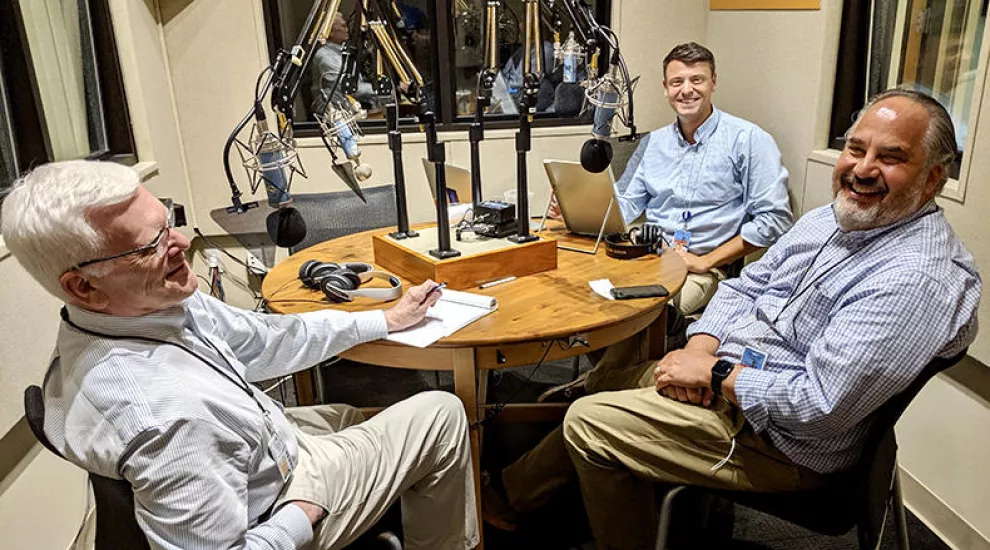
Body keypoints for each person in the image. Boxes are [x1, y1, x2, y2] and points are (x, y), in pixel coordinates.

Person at [493, 89, 982, 548]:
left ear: (933, 178)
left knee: (590, 422)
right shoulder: (832, 220)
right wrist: (702, 346)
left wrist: (718, 374)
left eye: (891, 157)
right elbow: (747, 286)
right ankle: (514, 498)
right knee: (609, 385)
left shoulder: (913, 279)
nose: (863, 168)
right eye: (856, 149)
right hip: (738, 384)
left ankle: (543, 507)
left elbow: (820, 408)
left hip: (783, 444)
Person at [1, 160, 479, 550]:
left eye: (168, 222)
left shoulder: (136, 307)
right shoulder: (170, 417)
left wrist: (386, 320)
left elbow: (265, 340)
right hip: (276, 504)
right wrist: (299, 518)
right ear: (84, 285)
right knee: (440, 413)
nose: (183, 243)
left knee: (355, 416)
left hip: (262, 451)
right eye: (152, 244)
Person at [539, 42, 792, 402]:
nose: (686, 90)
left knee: (640, 310)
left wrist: (705, 261)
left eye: (696, 80)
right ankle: (608, 382)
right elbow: (624, 205)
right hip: (646, 255)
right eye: (676, 82)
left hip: (703, 268)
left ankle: (591, 393)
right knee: (585, 292)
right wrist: (579, 206)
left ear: (713, 82)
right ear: (665, 88)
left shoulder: (748, 140)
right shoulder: (654, 143)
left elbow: (774, 220)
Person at [310, 13, 376, 116]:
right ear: (330, 32)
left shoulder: (342, 52)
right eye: (343, 26)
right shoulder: (324, 56)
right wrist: (378, 90)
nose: (347, 30)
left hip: (352, 107)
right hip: (336, 114)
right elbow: (348, 87)